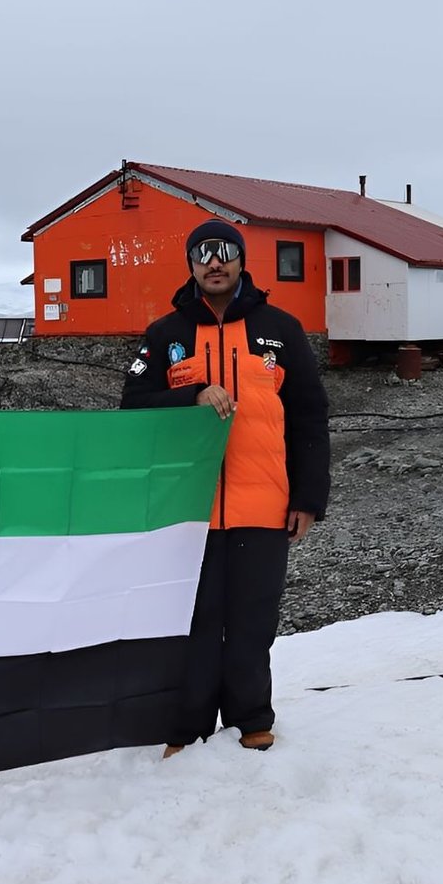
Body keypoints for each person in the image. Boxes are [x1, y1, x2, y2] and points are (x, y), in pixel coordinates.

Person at [121, 219, 330, 757]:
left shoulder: (280, 329)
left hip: (263, 505)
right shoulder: (164, 334)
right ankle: (187, 726)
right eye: (204, 254)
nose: (215, 263)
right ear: (191, 264)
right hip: (186, 511)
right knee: (192, 623)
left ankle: (251, 719)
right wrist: (186, 398)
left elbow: (309, 416)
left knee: (251, 619)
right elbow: (131, 409)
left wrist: (308, 499)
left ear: (240, 261)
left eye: (226, 253)